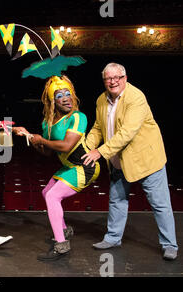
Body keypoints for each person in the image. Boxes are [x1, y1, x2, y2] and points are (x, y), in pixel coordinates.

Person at [82, 62, 178, 260]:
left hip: (146, 160)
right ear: (104, 81)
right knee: (117, 200)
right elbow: (98, 128)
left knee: (160, 204)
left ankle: (169, 244)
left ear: (125, 78)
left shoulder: (136, 98)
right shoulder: (102, 99)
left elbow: (127, 133)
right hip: (118, 159)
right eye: (108, 78)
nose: (112, 81)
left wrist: (100, 152)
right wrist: (85, 148)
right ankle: (113, 238)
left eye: (117, 77)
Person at [13, 75, 100, 261]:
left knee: (53, 196)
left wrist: (41, 140)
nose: (66, 98)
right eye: (60, 95)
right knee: (47, 192)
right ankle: (63, 231)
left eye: (68, 94)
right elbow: (47, 152)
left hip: (85, 167)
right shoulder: (47, 123)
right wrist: (28, 136)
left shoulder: (77, 117)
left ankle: (61, 245)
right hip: (69, 167)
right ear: (52, 101)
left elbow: (67, 146)